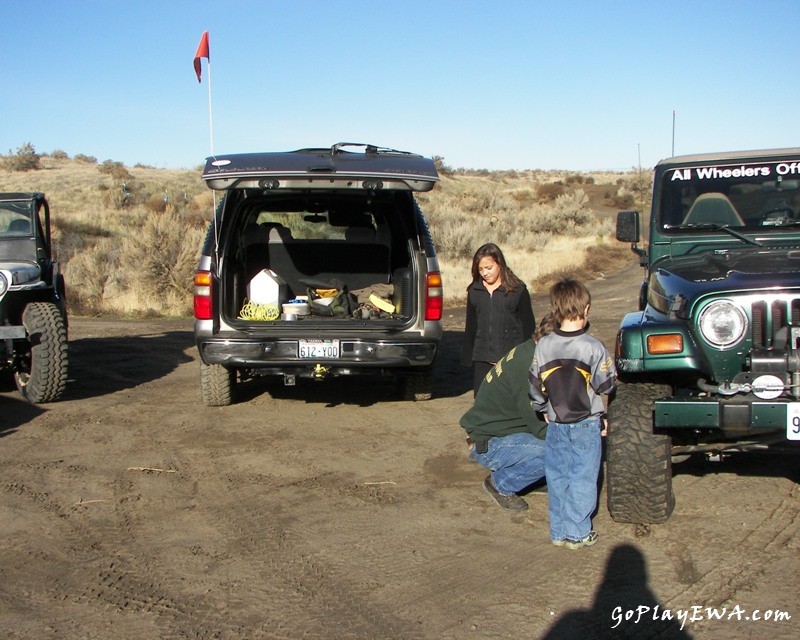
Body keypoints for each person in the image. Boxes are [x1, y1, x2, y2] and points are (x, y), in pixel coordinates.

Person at [529, 279, 616, 549]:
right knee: (583, 477)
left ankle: (558, 531)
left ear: (555, 308)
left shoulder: (543, 346)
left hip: (555, 423)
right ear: (586, 309)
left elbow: (535, 384)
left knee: (557, 476)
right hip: (585, 424)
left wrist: (542, 408)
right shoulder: (593, 347)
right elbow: (606, 384)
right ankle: (578, 532)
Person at [460, 314, 557, 512]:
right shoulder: (529, 367)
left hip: (499, 433)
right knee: (557, 449)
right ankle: (501, 484)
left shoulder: (529, 350)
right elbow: (538, 426)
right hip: (491, 443)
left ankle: (530, 476)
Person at [461, 243, 536, 397]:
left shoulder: (517, 290)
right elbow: (471, 326)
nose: (485, 273)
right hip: (482, 358)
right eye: (481, 269)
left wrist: (526, 357)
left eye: (489, 268)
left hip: (511, 358)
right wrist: (468, 356)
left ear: (499, 264)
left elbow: (528, 326)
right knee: (484, 404)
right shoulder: (474, 291)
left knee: (511, 402)